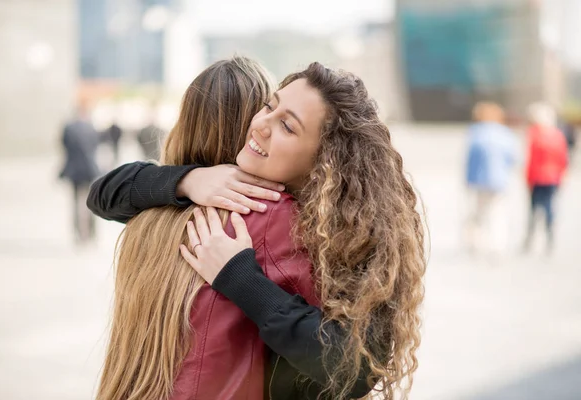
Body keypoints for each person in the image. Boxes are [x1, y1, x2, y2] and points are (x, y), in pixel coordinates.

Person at [90, 62, 426, 399]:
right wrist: (188, 180)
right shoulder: (263, 213)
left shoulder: (154, 218)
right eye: (268, 106)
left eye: (287, 126)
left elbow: (352, 363)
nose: (262, 123)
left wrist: (240, 277)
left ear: (326, 159)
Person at [464, 102, 517, 256]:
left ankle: (478, 244)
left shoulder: (475, 133)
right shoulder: (505, 133)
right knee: (498, 213)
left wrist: (467, 181)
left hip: (479, 180)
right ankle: (498, 245)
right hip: (500, 180)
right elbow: (513, 158)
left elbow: (471, 159)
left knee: (479, 213)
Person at [523, 102, 568, 254]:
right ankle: (550, 238)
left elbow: (531, 160)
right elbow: (563, 159)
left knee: (534, 209)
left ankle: (530, 240)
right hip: (553, 177)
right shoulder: (557, 135)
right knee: (549, 207)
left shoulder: (535, 135)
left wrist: (527, 179)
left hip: (538, 177)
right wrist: (562, 177)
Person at [59, 103, 101, 243]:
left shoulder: (68, 128)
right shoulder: (91, 128)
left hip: (74, 171)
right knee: (90, 202)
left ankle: (78, 233)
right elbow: (95, 146)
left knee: (76, 203)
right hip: (89, 170)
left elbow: (63, 146)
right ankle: (90, 233)